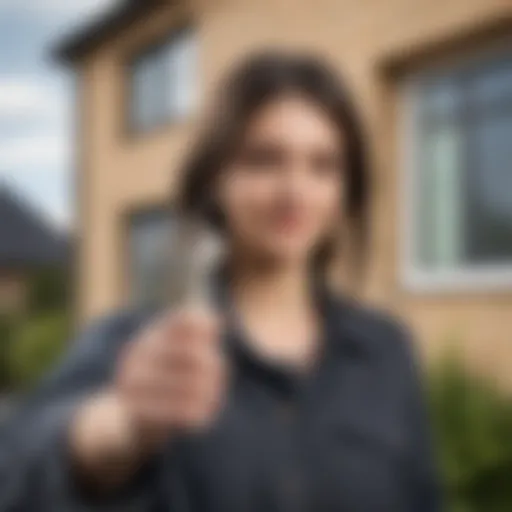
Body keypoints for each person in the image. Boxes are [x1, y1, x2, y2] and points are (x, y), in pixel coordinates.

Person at [0, 50, 441, 512]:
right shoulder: (138, 346)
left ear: (345, 192)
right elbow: (16, 469)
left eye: (323, 166)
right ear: (216, 179)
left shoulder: (386, 349)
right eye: (264, 159)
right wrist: (115, 430)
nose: (295, 190)